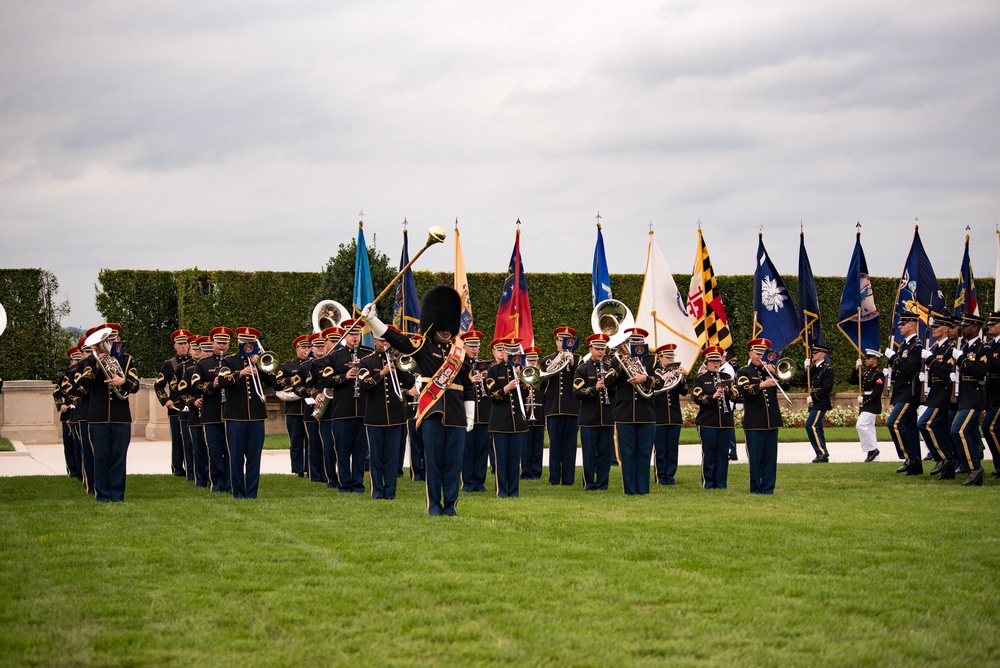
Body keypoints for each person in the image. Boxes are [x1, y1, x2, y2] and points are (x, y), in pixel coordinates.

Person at [362, 286, 476, 517]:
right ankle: (434, 505)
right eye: (441, 327)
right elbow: (397, 339)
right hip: (432, 412)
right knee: (433, 463)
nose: (445, 332)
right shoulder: (423, 346)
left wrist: (470, 414)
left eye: (448, 327)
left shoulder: (460, 354)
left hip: (456, 415)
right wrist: (373, 320)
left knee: (453, 465)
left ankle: (450, 506)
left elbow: (469, 387)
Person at [76, 323, 140, 502]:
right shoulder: (90, 362)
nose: (111, 342)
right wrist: (97, 366)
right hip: (98, 417)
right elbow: (80, 387)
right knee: (101, 456)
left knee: (119, 457)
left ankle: (118, 496)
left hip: (121, 417)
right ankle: (102, 495)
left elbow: (135, 385)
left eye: (113, 339)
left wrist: (123, 381)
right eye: (107, 340)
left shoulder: (126, 360)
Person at [217, 326, 275, 499]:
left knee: (254, 458)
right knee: (236, 458)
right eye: (244, 342)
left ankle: (251, 493)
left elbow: (275, 382)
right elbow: (221, 380)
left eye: (251, 343)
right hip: (235, 417)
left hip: (256, 417)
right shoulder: (229, 361)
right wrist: (240, 373)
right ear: (238, 342)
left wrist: (261, 365)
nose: (248, 346)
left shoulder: (260, 361)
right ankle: (238, 493)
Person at [359, 326, 413, 499]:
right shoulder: (367, 362)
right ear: (375, 342)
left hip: (396, 417)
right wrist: (381, 373)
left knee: (392, 457)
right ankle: (377, 491)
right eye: (381, 341)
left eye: (387, 341)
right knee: (376, 457)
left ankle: (390, 492)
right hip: (375, 417)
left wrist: (398, 367)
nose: (384, 344)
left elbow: (410, 382)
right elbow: (364, 385)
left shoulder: (397, 360)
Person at [604, 328, 660, 495]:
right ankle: (629, 490)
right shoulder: (617, 360)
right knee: (627, 455)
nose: (636, 344)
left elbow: (661, 381)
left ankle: (643, 489)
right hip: (625, 414)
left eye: (639, 341)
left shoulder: (652, 360)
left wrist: (646, 379)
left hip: (646, 414)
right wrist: (620, 367)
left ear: (644, 343)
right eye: (632, 341)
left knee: (644, 453)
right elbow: (607, 382)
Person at [320, 318, 371, 493]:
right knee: (342, 451)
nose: (355, 338)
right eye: (351, 334)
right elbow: (325, 379)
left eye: (357, 334)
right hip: (342, 411)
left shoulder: (368, 354)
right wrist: (344, 376)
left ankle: (358, 483)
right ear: (345, 336)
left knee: (360, 451)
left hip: (363, 410)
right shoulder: (334, 357)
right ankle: (344, 483)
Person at [736, 337, 783, 495]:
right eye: (757, 353)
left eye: (763, 353)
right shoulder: (744, 371)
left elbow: (787, 385)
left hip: (771, 421)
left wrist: (776, 373)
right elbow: (743, 389)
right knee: (755, 458)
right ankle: (755, 489)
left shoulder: (769, 370)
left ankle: (768, 488)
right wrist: (762, 385)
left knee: (770, 457)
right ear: (750, 354)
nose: (760, 357)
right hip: (755, 422)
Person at [191, 326, 233, 493]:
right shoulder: (203, 364)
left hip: (230, 413)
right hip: (211, 413)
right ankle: (216, 483)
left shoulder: (232, 362)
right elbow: (194, 386)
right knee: (214, 451)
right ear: (213, 342)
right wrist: (212, 385)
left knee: (230, 451)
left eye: (225, 343)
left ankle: (230, 483)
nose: (221, 346)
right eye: (218, 342)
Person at [485, 337, 529, 498]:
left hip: (517, 422)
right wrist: (507, 388)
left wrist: (521, 376)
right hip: (500, 423)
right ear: (503, 353)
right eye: (507, 351)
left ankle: (514, 490)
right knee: (501, 460)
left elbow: (525, 394)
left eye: (513, 351)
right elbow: (493, 396)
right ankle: (501, 490)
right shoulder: (493, 370)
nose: (509, 354)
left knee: (514, 459)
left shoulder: (520, 369)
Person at [573, 333, 616, 491]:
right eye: (597, 348)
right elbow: (577, 393)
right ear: (590, 349)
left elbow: (615, 392)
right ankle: (589, 484)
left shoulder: (610, 369)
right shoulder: (582, 369)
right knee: (589, 454)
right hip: (589, 419)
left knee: (605, 455)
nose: (600, 352)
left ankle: (603, 484)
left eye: (603, 348)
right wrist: (594, 388)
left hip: (606, 418)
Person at [950, 313, 988, 486]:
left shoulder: (983, 349)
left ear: (976, 328)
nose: (962, 328)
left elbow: (979, 371)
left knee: (958, 430)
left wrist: (961, 359)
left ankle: (974, 467)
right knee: (964, 432)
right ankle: (970, 467)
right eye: (962, 325)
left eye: (967, 325)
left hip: (974, 396)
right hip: (963, 396)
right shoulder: (963, 346)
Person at [916, 315, 956, 477]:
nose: (933, 329)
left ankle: (943, 457)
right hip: (934, 392)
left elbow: (945, 372)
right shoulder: (934, 348)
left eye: (937, 326)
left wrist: (931, 360)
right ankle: (948, 473)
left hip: (944, 393)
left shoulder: (951, 349)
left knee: (924, 423)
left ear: (946, 329)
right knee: (941, 429)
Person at [884, 313, 924, 475]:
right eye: (900, 324)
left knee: (894, 422)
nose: (900, 326)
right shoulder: (903, 346)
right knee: (910, 428)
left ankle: (909, 457)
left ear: (913, 325)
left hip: (910, 392)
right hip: (901, 391)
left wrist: (893, 358)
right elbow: (900, 369)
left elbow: (909, 369)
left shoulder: (917, 346)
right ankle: (916, 467)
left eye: (904, 324)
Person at [540, 326, 580, 486]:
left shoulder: (578, 359)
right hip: (553, 408)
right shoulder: (547, 360)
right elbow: (541, 385)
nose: (563, 343)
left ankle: (569, 479)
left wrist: (572, 362)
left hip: (572, 409)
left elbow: (582, 380)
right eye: (560, 340)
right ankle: (554, 478)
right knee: (554, 446)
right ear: (556, 341)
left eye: (567, 340)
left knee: (570, 446)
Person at [691, 346, 734, 489]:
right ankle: (708, 483)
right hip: (708, 422)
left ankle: (721, 484)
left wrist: (728, 392)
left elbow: (737, 396)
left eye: (718, 361)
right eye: (713, 361)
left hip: (725, 422)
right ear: (707, 362)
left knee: (723, 454)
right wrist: (712, 396)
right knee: (709, 454)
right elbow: (696, 398)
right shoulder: (700, 378)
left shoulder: (727, 378)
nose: (716, 364)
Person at [154, 329, 195, 479]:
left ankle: (192, 469)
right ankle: (178, 469)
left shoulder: (195, 362)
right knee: (177, 440)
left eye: (186, 343)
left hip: (191, 405)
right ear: (175, 345)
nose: (183, 346)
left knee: (191, 440)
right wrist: (166, 400)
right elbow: (158, 385)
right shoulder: (169, 364)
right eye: (180, 344)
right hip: (176, 406)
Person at [274, 334, 311, 477]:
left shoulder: (315, 364)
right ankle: (298, 469)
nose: (306, 350)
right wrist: (290, 379)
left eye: (308, 347)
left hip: (310, 408)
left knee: (311, 441)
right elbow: (277, 384)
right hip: (294, 410)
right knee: (296, 441)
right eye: (303, 347)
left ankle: (310, 467)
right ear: (297, 349)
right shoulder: (288, 366)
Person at [177, 335, 210, 487]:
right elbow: (182, 392)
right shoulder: (190, 370)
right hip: (196, 416)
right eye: (204, 350)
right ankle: (200, 480)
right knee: (198, 450)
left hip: (213, 416)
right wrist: (192, 401)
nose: (205, 353)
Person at [652, 344, 687, 486]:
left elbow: (684, 392)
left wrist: (681, 378)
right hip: (659, 416)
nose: (671, 359)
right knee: (660, 449)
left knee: (672, 449)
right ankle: (660, 476)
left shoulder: (676, 372)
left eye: (672, 357)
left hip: (674, 416)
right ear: (660, 358)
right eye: (668, 357)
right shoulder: (655, 373)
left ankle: (670, 476)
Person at [460, 330, 491, 492]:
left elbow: (493, 391)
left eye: (476, 346)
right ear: (464, 347)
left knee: (481, 450)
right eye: (471, 346)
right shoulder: (459, 364)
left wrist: (486, 379)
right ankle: (467, 482)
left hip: (484, 415)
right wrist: (470, 381)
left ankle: (480, 482)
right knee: (466, 450)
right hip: (466, 415)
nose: (474, 349)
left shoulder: (486, 365)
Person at [849, 349, 884, 462]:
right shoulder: (865, 373)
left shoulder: (878, 374)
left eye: (868, 359)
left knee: (861, 425)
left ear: (875, 360)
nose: (866, 360)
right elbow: (853, 381)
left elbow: (877, 393)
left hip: (872, 405)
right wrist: (856, 368)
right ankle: (875, 457)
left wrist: (864, 400)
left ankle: (873, 450)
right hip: (865, 404)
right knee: (870, 429)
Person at [54, 346, 82, 481]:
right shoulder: (65, 376)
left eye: (79, 359)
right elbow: (57, 393)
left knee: (79, 445)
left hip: (79, 410)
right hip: (67, 413)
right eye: (75, 360)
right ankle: (72, 470)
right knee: (69, 445)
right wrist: (61, 405)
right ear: (71, 361)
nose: (77, 362)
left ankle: (81, 470)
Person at [804, 344, 834, 463]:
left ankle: (821, 452)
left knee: (810, 425)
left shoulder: (827, 369)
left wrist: (813, 397)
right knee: (818, 427)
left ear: (822, 354)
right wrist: (805, 368)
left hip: (820, 402)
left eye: (816, 353)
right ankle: (823, 455)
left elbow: (827, 388)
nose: (813, 354)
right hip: (814, 402)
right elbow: (803, 381)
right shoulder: (813, 368)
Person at [521, 346, 545, 480]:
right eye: (530, 360)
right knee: (526, 446)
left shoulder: (540, 376)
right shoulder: (522, 375)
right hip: (526, 416)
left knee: (538, 446)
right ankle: (526, 471)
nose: (533, 363)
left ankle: (537, 471)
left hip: (539, 415)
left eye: (534, 360)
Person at [982, 312, 1000, 479]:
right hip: (991, 393)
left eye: (994, 323)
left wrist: (986, 360)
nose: (990, 326)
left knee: (989, 427)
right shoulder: (991, 344)